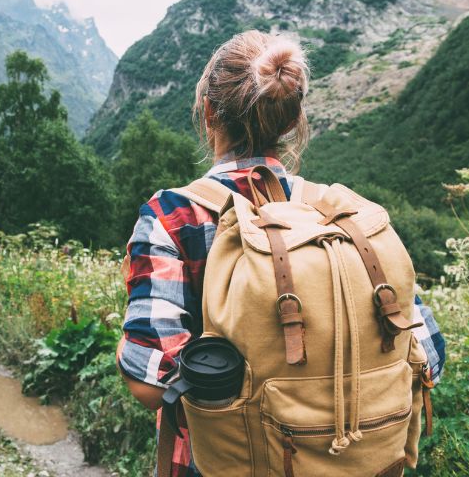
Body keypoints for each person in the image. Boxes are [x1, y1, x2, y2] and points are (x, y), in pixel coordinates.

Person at [115, 30, 446, 477]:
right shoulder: (341, 216)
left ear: (209, 111)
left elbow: (151, 381)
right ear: (292, 120)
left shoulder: (176, 215)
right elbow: (430, 355)